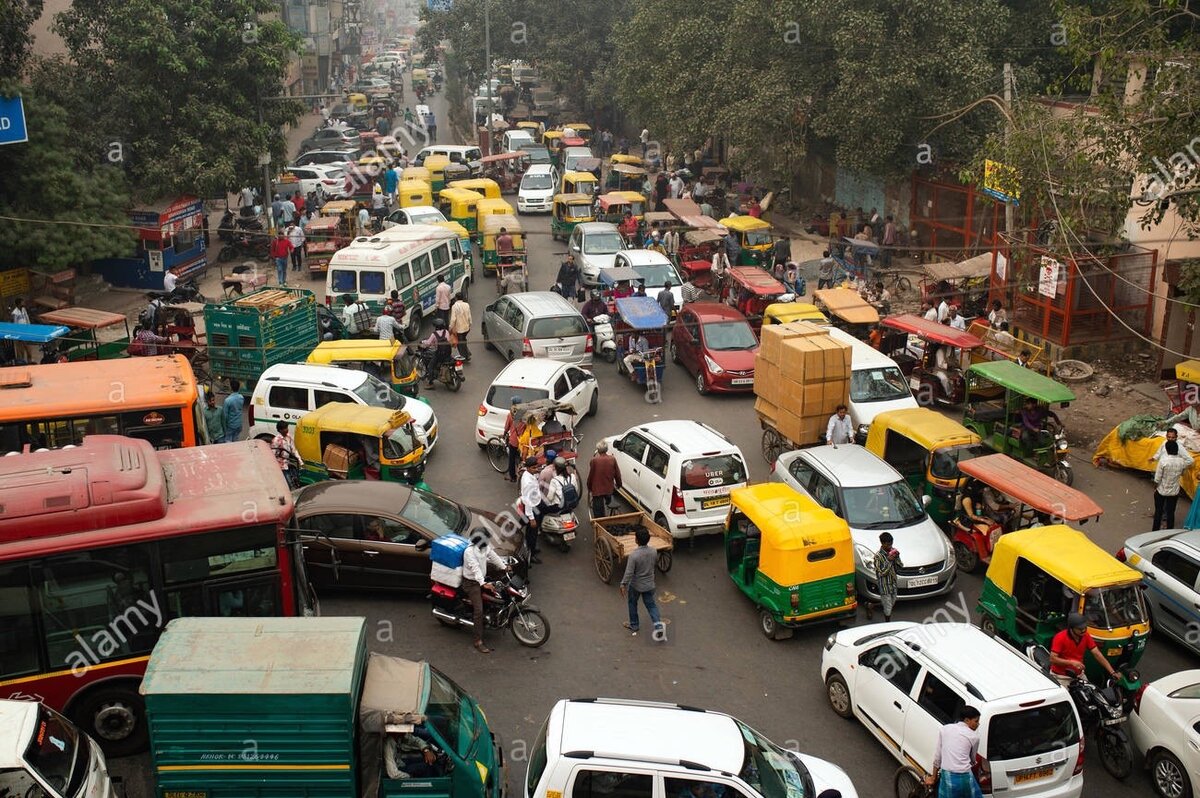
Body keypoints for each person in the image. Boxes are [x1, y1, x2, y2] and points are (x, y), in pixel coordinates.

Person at [462, 529, 509, 653]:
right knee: (479, 610)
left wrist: (504, 567)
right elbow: (475, 568)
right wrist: (483, 584)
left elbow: (493, 556)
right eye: (486, 539)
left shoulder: (484, 547)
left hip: (481, 579)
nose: (488, 541)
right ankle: (478, 641)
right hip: (471, 583)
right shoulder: (469, 552)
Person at [926, 706, 983, 797]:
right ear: (967, 720)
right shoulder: (974, 737)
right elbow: (972, 760)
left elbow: (938, 757)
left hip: (948, 777)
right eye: (976, 721)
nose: (978, 724)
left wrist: (933, 777)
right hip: (966, 777)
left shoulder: (944, 729)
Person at [1050, 613, 1119, 688]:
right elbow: (1052, 659)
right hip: (1061, 677)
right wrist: (1071, 663)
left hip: (1079, 675)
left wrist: (1112, 672)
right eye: (1080, 629)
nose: (1083, 630)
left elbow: (1097, 654)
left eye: (1085, 628)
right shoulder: (1060, 638)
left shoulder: (1086, 636)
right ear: (1071, 628)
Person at [620, 527, 664, 637]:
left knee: (632, 603)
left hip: (636, 585)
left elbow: (629, 573)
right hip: (650, 584)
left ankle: (634, 625)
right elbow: (655, 563)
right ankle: (658, 626)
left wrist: (623, 584)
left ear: (636, 540)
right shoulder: (653, 551)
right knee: (651, 605)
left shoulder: (634, 556)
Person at [1154, 439, 1194, 530]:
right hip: (1174, 491)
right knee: (1171, 512)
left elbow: (1157, 478)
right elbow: (1183, 473)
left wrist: (1156, 486)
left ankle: (1155, 530)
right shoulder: (1182, 462)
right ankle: (1169, 530)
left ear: (1167, 450)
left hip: (1161, 490)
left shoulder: (1163, 461)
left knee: (1158, 512)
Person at [868, 532, 902, 622]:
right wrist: (889, 561)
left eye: (891, 544)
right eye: (888, 544)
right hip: (884, 585)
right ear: (882, 544)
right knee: (888, 606)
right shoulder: (877, 557)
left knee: (891, 602)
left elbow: (901, 566)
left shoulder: (893, 551)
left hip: (893, 583)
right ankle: (887, 622)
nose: (890, 546)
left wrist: (897, 558)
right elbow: (882, 573)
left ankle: (871, 605)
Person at [587, 441, 622, 519]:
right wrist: (619, 485)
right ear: (606, 449)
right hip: (609, 488)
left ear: (598, 450)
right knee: (610, 501)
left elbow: (591, 476)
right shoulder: (612, 459)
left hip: (597, 490)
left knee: (598, 512)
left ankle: (600, 522)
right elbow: (617, 474)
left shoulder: (594, 460)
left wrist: (589, 487)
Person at [519, 456, 544, 563]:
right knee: (532, 532)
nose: (536, 469)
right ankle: (531, 554)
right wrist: (531, 518)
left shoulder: (529, 474)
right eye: (534, 468)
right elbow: (528, 501)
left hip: (536, 503)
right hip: (531, 508)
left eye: (537, 467)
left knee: (530, 529)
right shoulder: (527, 482)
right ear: (528, 468)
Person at [420, 318, 453, 388]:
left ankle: (430, 383)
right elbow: (449, 340)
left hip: (439, 355)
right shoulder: (446, 332)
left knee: (430, 366)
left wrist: (423, 342)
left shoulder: (434, 334)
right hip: (448, 353)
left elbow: (428, 343)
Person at [271, 421, 299, 487]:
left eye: (287, 428)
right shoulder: (276, 441)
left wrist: (299, 460)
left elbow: (293, 450)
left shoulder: (289, 437)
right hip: (281, 466)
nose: (287, 430)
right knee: (288, 484)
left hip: (288, 462)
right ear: (280, 430)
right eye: (285, 428)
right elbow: (272, 455)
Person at [502, 396, 524, 482]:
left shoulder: (510, 415)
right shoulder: (524, 413)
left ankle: (513, 477)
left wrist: (504, 434)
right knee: (522, 458)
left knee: (512, 458)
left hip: (514, 441)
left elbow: (507, 427)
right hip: (522, 440)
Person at [449, 291, 472, 361]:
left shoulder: (454, 306)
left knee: (460, 343)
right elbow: (469, 317)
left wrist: (450, 327)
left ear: (456, 298)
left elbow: (453, 319)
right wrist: (470, 324)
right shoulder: (466, 305)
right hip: (466, 327)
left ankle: (465, 356)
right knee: (463, 340)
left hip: (459, 329)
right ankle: (467, 354)